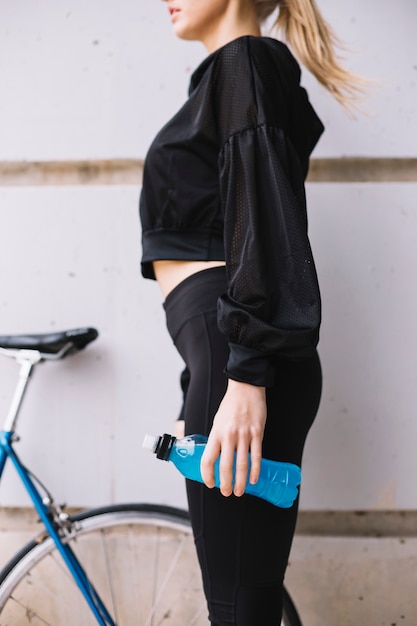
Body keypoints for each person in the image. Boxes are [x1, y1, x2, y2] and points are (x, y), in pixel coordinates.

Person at [139, 1, 365, 624]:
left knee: (239, 611)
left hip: (238, 360)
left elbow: (264, 222)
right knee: (243, 605)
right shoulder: (233, 75)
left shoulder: (244, 65)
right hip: (227, 355)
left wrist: (245, 374)